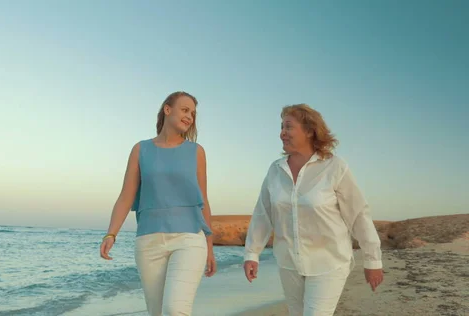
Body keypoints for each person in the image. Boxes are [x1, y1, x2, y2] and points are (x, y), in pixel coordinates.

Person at [243, 104, 384, 316]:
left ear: (309, 130)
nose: (282, 132)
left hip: (329, 261)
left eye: (288, 127)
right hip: (289, 262)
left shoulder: (335, 167)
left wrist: (373, 259)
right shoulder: (275, 170)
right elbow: (263, 214)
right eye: (281, 126)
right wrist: (252, 253)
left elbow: (358, 215)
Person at [99, 91, 217, 316]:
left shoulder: (196, 152)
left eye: (192, 113)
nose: (190, 117)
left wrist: (210, 248)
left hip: (189, 239)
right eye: (185, 110)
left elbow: (204, 201)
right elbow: (126, 195)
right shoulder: (141, 149)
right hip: (148, 241)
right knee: (156, 312)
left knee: (175, 309)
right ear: (167, 109)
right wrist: (110, 234)